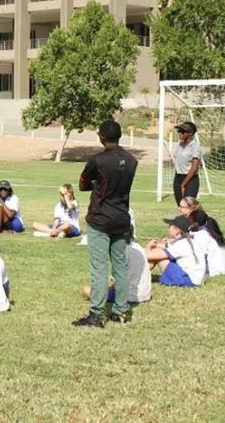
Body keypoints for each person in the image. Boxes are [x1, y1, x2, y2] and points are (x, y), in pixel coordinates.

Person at [72, 120, 138, 328]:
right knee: (120, 265)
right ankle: (121, 310)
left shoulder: (98, 160)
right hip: (121, 217)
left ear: (101, 137)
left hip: (101, 219)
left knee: (99, 268)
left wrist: (97, 185)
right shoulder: (131, 160)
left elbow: (82, 184)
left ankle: (97, 314)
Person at [81, 227, 151, 305]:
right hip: (145, 294)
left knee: (86, 290)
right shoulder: (137, 246)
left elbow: (118, 279)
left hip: (129, 296)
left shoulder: (120, 250)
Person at [144, 216, 205, 288]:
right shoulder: (189, 241)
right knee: (159, 252)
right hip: (196, 279)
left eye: (170, 225)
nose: (168, 227)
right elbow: (169, 248)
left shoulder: (180, 245)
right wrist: (159, 245)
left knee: (156, 255)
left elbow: (149, 255)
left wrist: (148, 247)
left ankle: (138, 276)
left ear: (177, 230)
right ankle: (140, 276)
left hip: (187, 280)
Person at [189, 208, 225, 277]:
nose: (190, 223)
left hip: (213, 271)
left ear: (196, 223)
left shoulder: (200, 236)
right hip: (223, 268)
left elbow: (201, 257)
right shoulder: (211, 231)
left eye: (191, 221)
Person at [173, 121, 201, 204]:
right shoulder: (180, 144)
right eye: (179, 131)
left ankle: (199, 217)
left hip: (190, 179)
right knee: (180, 205)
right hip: (178, 177)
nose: (179, 133)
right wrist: (177, 180)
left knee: (188, 206)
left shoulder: (195, 147)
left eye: (182, 131)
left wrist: (183, 184)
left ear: (190, 133)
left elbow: (194, 167)